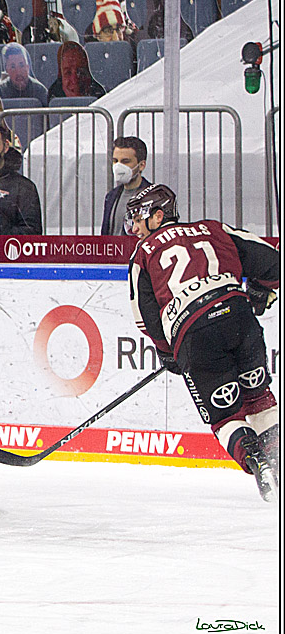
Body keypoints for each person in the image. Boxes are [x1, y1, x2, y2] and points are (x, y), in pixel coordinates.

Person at [125, 184, 279, 501]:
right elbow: (272, 262)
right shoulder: (212, 228)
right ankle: (279, 459)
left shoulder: (142, 253)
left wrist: (169, 353)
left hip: (194, 334)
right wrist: (263, 290)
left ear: (158, 215)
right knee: (259, 398)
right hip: (239, 319)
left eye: (138, 219)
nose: (135, 228)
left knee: (226, 417)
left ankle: (259, 463)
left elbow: (145, 316)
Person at [101, 136, 151, 235]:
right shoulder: (111, 196)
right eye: (115, 161)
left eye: (125, 161)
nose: (118, 166)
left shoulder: (154, 196)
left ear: (141, 165)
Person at [0, 42, 49, 106]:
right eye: (13, 67)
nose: (18, 72)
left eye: (21, 65)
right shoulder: (0, 91)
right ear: (7, 70)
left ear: (27, 67)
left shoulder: (40, 90)